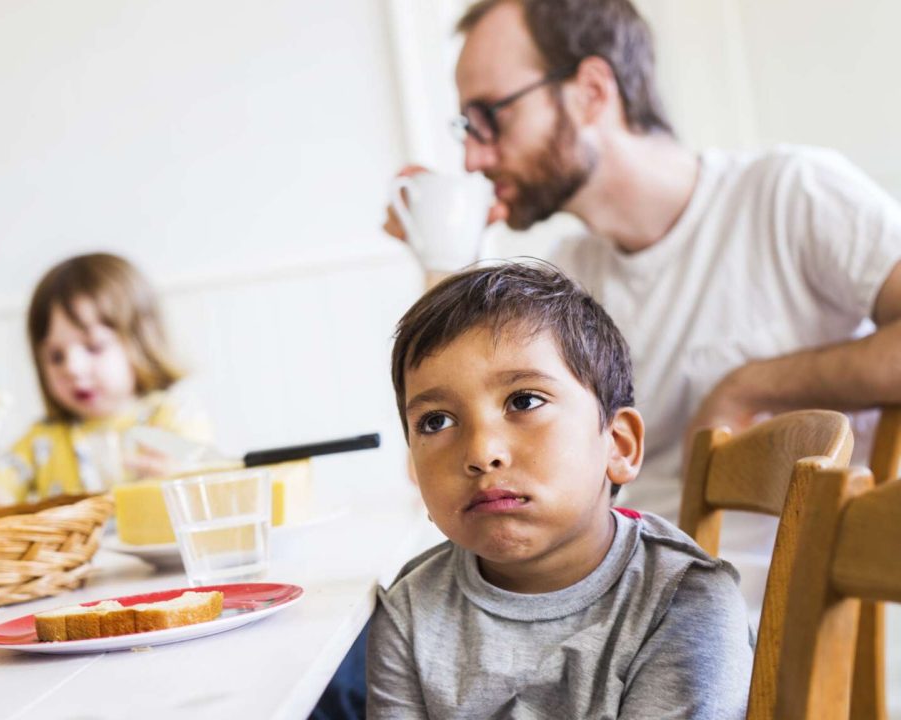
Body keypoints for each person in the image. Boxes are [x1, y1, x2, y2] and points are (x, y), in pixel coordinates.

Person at [382, 0, 901, 609]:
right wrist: (442, 258)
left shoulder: (787, 194)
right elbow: (434, 472)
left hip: (747, 627)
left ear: (592, 91)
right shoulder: (571, 278)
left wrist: (752, 387)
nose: (473, 158)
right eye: (467, 129)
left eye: (490, 116)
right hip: (602, 616)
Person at [370, 261, 752, 718]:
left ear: (619, 444)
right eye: (436, 421)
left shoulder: (684, 601)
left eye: (524, 401)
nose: (481, 452)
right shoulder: (409, 608)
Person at [0, 253, 211, 508]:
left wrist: (181, 476)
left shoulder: (171, 417)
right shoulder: (41, 439)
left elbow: (208, 485)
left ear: (139, 342)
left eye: (94, 347)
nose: (73, 369)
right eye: (56, 356)